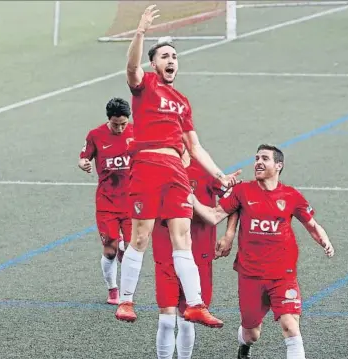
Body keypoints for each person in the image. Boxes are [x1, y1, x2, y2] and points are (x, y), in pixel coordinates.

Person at [115, 4, 241, 328]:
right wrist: (140, 32)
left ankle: (196, 304)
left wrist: (219, 174)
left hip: (175, 171)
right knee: (140, 236)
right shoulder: (144, 86)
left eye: (174, 57)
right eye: (165, 57)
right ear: (154, 63)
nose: (171, 61)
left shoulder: (182, 101)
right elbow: (131, 67)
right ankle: (126, 300)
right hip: (147, 165)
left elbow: (195, 146)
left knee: (181, 237)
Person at [191, 144, 335, 359]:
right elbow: (213, 216)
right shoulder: (242, 191)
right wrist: (190, 199)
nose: (258, 162)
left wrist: (324, 240)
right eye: (256, 158)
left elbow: (312, 225)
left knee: (290, 326)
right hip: (250, 275)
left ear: (278, 166)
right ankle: (244, 347)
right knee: (252, 334)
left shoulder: (291, 195)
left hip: (283, 275)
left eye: (264, 158)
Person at [152, 149, 239, 358]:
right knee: (166, 318)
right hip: (166, 252)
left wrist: (228, 234)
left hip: (199, 251)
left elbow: (235, 200)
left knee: (188, 316)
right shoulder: (154, 168)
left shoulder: (204, 168)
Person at [78, 97, 133, 305]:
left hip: (132, 202)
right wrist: (83, 163)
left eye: (123, 124)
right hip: (106, 202)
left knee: (130, 251)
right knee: (110, 250)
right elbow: (84, 157)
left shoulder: (137, 133)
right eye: (115, 124)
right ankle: (112, 289)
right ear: (108, 119)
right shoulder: (95, 135)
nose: (119, 129)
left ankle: (128, 295)